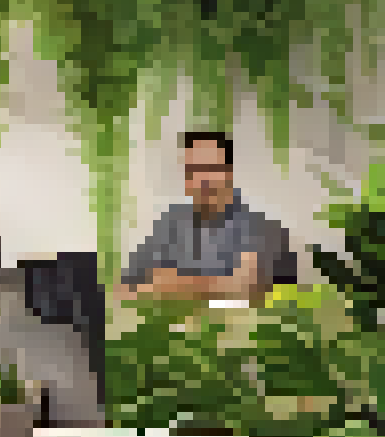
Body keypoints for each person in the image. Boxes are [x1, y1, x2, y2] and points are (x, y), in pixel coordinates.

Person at [117, 130, 296, 306]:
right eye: (194, 171)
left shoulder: (263, 229)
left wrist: (170, 282)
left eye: (212, 169)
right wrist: (212, 286)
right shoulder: (169, 226)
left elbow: (245, 289)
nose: (202, 179)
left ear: (229, 174)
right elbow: (124, 289)